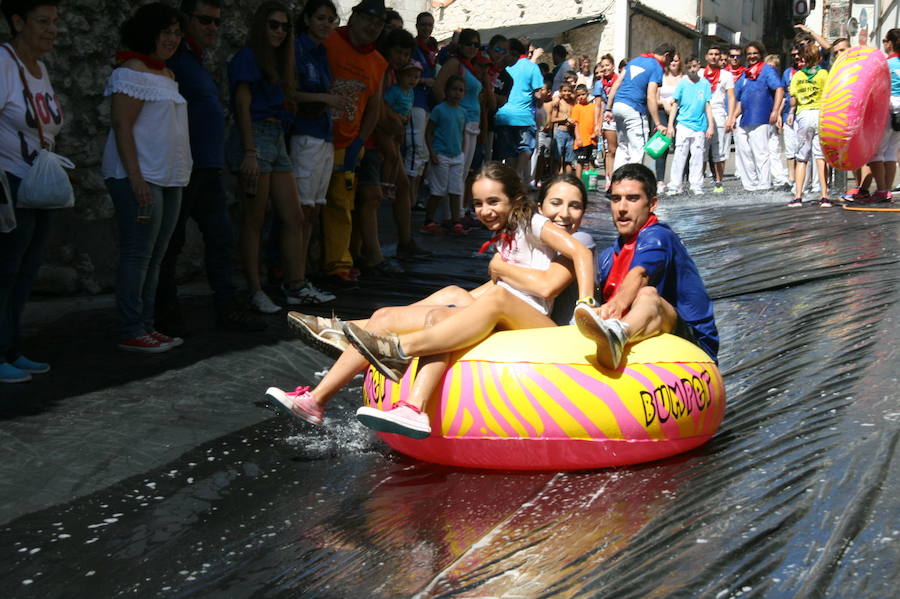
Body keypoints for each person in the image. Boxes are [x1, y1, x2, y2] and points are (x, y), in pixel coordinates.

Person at [266, 168, 595, 434]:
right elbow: (499, 286)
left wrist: (585, 304)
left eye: (493, 201)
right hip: (507, 311)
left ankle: (406, 380)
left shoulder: (538, 225)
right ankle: (318, 396)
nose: (484, 211)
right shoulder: (509, 233)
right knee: (390, 315)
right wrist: (464, 298)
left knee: (462, 309)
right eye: (478, 204)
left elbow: (574, 258)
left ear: (515, 199)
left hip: (536, 326)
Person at [154, 0, 266, 337]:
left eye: (217, 22)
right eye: (205, 20)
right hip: (183, 168)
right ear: (187, 20)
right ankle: (164, 313)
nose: (213, 28)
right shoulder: (174, 60)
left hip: (207, 167)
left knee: (220, 238)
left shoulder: (195, 62)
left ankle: (226, 307)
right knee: (170, 244)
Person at [101, 3, 191, 353]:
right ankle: (131, 327)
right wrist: (135, 177)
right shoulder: (131, 71)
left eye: (176, 33)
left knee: (156, 255)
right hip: (141, 176)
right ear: (148, 33)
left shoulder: (167, 75)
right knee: (138, 254)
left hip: (168, 177)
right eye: (165, 32)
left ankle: (147, 326)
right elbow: (122, 125)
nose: (172, 39)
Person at [574, 163, 718, 371]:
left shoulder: (658, 236)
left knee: (647, 295)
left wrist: (616, 305)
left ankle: (617, 335)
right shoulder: (608, 256)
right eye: (616, 199)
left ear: (652, 204)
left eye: (633, 199)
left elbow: (640, 275)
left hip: (694, 347)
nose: (622, 208)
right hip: (646, 336)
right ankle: (614, 336)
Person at [228, 2, 311, 312]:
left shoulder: (278, 61)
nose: (279, 31)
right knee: (254, 219)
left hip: (275, 137)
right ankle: (255, 290)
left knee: (294, 216)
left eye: (285, 26)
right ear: (261, 26)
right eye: (273, 25)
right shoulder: (248, 57)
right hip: (257, 138)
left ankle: (295, 286)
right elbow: (242, 105)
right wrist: (250, 151)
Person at [0, 0, 63, 382]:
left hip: (37, 185)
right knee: (4, 272)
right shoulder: (4, 62)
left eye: (54, 22)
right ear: (18, 22)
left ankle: (11, 348)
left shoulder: (40, 69)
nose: (52, 30)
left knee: (25, 272)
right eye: (42, 22)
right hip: (9, 183)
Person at [320, 0, 387, 286]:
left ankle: (337, 263)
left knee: (340, 204)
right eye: (368, 18)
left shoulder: (378, 62)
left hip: (347, 142)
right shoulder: (328, 41)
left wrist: (359, 141)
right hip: (314, 134)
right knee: (304, 205)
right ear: (354, 16)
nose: (373, 26)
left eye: (379, 22)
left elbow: (373, 107)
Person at [288, 0, 344, 302]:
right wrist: (325, 98)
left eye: (330, 20)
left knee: (313, 210)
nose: (326, 24)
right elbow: (290, 91)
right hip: (305, 134)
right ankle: (294, 281)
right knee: (301, 209)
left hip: (322, 133)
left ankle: (301, 276)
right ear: (307, 19)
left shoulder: (322, 52)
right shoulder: (297, 49)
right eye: (321, 18)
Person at [603, 43, 674, 170]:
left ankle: (617, 184)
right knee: (637, 149)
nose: (669, 64)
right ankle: (633, 185)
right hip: (634, 108)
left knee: (623, 147)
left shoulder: (635, 60)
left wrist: (608, 109)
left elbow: (617, 83)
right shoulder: (657, 67)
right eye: (670, 60)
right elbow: (651, 96)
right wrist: (658, 124)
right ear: (666, 55)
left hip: (618, 105)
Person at [732, 41, 784, 192]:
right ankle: (750, 185)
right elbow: (740, 100)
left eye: (755, 53)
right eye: (749, 54)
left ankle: (764, 184)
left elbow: (779, 89)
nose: (752, 56)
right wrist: (732, 118)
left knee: (761, 153)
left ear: (760, 54)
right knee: (744, 152)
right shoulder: (745, 74)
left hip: (761, 117)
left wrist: (775, 111)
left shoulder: (767, 70)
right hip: (745, 119)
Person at [494, 37, 544, 184]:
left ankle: (511, 179)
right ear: (528, 49)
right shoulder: (532, 67)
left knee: (508, 152)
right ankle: (518, 174)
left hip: (503, 115)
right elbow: (538, 93)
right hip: (524, 116)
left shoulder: (505, 65)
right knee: (525, 147)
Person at [421, 75, 466, 234]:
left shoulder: (462, 112)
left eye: (460, 90)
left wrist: (462, 153)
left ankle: (456, 222)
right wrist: (431, 152)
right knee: (437, 190)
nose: (457, 93)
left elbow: (461, 134)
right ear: (446, 91)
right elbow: (429, 131)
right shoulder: (439, 109)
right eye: (454, 89)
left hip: (457, 155)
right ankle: (429, 220)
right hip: (441, 155)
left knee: (456, 190)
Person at [787, 40, 829, 207]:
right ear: (818, 59)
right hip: (820, 114)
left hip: (804, 115)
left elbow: (793, 100)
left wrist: (791, 112)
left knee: (802, 157)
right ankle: (824, 196)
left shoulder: (797, 76)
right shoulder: (824, 74)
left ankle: (798, 196)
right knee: (820, 156)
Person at [664, 56, 713, 196]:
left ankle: (696, 184)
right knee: (680, 154)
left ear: (699, 66)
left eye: (695, 66)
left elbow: (708, 105)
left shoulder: (705, 84)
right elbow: (675, 105)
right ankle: (675, 185)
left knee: (697, 155)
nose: (692, 69)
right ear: (686, 68)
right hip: (684, 124)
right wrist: (670, 125)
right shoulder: (682, 84)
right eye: (690, 67)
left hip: (700, 125)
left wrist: (710, 126)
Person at [862, 28, 900, 204]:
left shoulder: (885, 64)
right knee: (892, 151)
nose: (884, 43)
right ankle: (887, 190)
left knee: (877, 151)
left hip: (887, 107)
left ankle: (882, 190)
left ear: (890, 43)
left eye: (885, 40)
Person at [406, 11, 437, 217]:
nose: (427, 28)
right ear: (417, 25)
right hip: (415, 101)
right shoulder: (414, 49)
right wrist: (425, 81)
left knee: (422, 152)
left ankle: (414, 197)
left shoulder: (428, 52)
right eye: (423, 24)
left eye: (430, 24)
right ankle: (408, 198)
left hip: (425, 104)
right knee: (415, 150)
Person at [702, 45, 736, 193]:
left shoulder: (726, 75)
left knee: (719, 150)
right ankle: (699, 181)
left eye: (717, 54)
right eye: (711, 54)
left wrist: (731, 117)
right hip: (701, 113)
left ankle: (718, 182)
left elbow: (731, 97)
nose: (714, 56)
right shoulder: (699, 73)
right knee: (701, 150)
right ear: (706, 57)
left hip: (719, 113)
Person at [655, 51, 683, 187]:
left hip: (679, 112)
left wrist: (674, 103)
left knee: (681, 146)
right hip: (662, 111)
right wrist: (665, 103)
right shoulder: (661, 76)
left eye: (676, 60)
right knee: (662, 146)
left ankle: (680, 178)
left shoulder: (683, 78)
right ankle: (660, 179)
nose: (673, 63)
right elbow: (655, 98)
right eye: (671, 60)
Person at [593, 54, 618, 187]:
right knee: (611, 150)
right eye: (603, 66)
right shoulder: (599, 84)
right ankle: (609, 179)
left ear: (613, 66)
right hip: (608, 119)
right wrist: (597, 123)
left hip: (620, 116)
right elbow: (597, 105)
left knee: (622, 149)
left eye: (607, 65)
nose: (605, 68)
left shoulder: (619, 80)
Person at [549, 81, 576, 174]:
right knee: (557, 158)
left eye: (569, 91)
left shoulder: (573, 102)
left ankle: (568, 179)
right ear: (560, 92)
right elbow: (552, 119)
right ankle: (555, 178)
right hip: (560, 132)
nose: (567, 93)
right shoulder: (558, 102)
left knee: (569, 159)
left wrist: (573, 123)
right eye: (564, 91)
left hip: (571, 133)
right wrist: (565, 119)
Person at [571, 83, 596, 181]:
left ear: (587, 94)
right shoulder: (576, 108)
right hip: (582, 140)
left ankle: (591, 182)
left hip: (592, 139)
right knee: (580, 162)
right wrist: (578, 138)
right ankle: (579, 181)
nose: (581, 97)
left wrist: (596, 133)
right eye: (578, 95)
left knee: (592, 161)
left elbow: (596, 121)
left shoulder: (593, 106)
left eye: (583, 94)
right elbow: (576, 124)